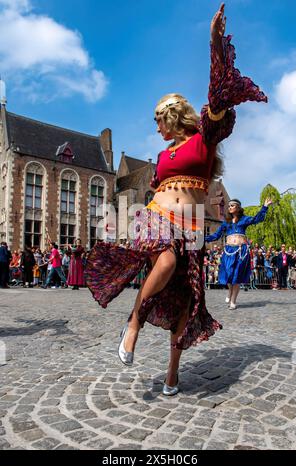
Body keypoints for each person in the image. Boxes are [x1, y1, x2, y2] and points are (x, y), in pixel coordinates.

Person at [86, 4, 267, 396]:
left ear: (173, 116)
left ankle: (172, 370)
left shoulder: (204, 140)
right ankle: (133, 322)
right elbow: (155, 191)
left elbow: (218, 91)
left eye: (158, 119)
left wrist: (215, 41)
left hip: (192, 230)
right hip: (157, 218)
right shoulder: (163, 158)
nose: (155, 127)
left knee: (186, 303)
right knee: (164, 260)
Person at [205, 198, 272, 309]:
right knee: (228, 274)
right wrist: (203, 238)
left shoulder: (244, 220)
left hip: (241, 252)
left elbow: (256, 219)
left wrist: (264, 207)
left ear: (238, 208)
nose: (230, 207)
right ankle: (230, 291)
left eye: (232, 205)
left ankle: (233, 301)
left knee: (236, 275)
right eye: (229, 205)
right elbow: (216, 235)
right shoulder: (226, 223)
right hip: (229, 252)